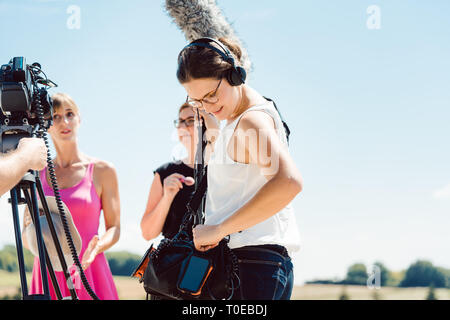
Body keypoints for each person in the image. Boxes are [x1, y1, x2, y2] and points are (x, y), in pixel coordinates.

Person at [177, 37, 303, 300]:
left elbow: (288, 182)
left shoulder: (251, 121)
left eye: (212, 95)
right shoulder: (240, 121)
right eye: (198, 101)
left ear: (235, 74)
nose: (208, 106)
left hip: (250, 265)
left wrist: (220, 229)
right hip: (252, 264)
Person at [22, 93, 120, 300]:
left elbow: (115, 228)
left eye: (69, 114)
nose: (64, 122)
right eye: (55, 117)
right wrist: (28, 230)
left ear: (79, 118)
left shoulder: (103, 170)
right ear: (45, 123)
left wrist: (96, 248)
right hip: (47, 270)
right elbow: (26, 236)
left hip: (89, 268)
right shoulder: (35, 173)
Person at [140, 102, 198, 243]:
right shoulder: (165, 173)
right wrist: (167, 197)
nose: (183, 127)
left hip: (217, 260)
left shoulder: (223, 171)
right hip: (175, 260)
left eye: (190, 120)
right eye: (180, 122)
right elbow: (147, 233)